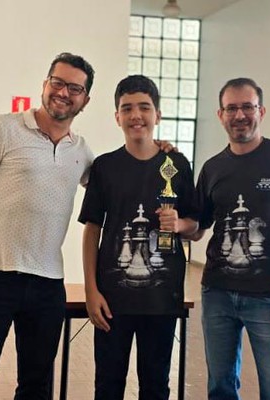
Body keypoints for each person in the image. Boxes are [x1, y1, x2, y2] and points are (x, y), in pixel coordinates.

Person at [0, 53, 175, 400]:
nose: (64, 93)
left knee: (36, 389)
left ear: (85, 100)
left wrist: (156, 150)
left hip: (47, 285)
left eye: (75, 88)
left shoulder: (82, 153)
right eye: (58, 83)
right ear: (45, 84)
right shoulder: (2, 129)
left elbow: (120, 179)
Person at [192, 77, 270, 400]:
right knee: (220, 387)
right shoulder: (212, 168)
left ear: (261, 111)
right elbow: (199, 228)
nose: (239, 115)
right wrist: (172, 220)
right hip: (217, 292)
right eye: (231, 108)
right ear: (220, 115)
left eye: (247, 107)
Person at [79, 75, 199, 400]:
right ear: (116, 116)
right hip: (112, 298)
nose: (136, 115)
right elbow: (92, 230)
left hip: (161, 298)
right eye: (127, 108)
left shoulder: (176, 164)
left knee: (156, 386)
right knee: (108, 385)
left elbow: (196, 226)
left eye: (144, 107)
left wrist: (179, 224)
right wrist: (91, 290)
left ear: (157, 115)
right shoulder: (104, 167)